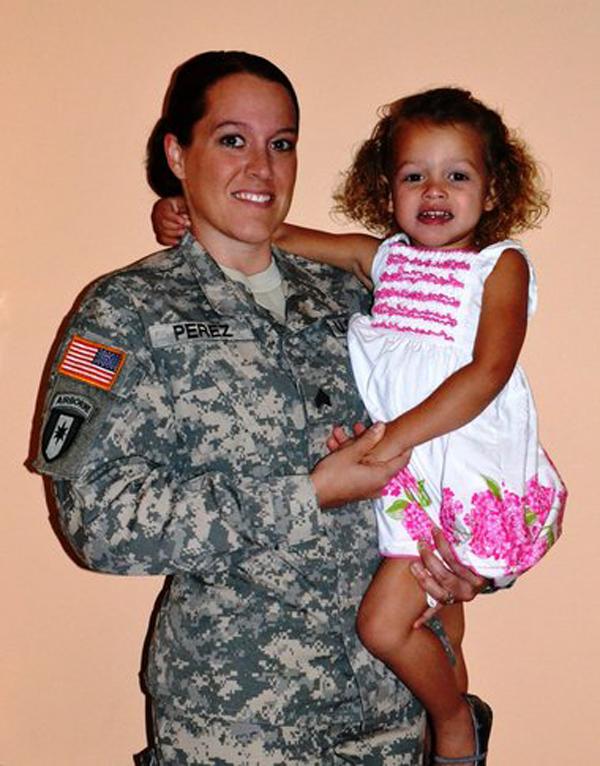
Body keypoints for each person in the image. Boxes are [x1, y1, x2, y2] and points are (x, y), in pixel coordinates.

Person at [33, 54, 487, 766]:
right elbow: (98, 523)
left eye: (281, 143)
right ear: (178, 153)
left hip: (392, 720)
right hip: (234, 732)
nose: (262, 168)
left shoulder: (361, 299)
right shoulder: (125, 313)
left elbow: (474, 436)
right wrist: (309, 493)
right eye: (232, 139)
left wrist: (476, 565)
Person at [153, 86, 567, 766]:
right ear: (388, 189)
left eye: (457, 175)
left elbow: (489, 371)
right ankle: (452, 713)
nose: (434, 190)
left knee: (383, 626)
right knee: (433, 624)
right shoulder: (383, 265)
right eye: (414, 175)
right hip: (407, 481)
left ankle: (455, 723)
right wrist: (188, 212)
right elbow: (277, 232)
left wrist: (395, 437)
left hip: (460, 474)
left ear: (493, 192)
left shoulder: (500, 267)